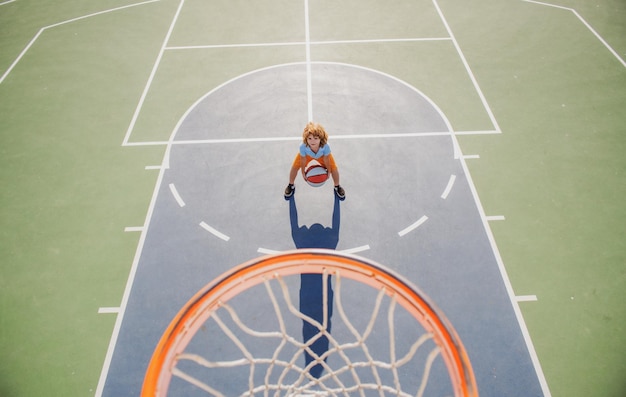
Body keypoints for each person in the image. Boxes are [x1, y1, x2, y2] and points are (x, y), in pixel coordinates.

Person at [284, 122, 345, 200]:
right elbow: (302, 159)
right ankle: (291, 185)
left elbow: (326, 159)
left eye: (316, 138)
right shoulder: (303, 146)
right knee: (294, 167)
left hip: (322, 156)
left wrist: (329, 170)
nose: (312, 141)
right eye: (309, 138)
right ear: (306, 139)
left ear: (321, 138)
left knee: (334, 169)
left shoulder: (325, 146)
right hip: (307, 156)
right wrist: (303, 172)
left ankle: (337, 186)